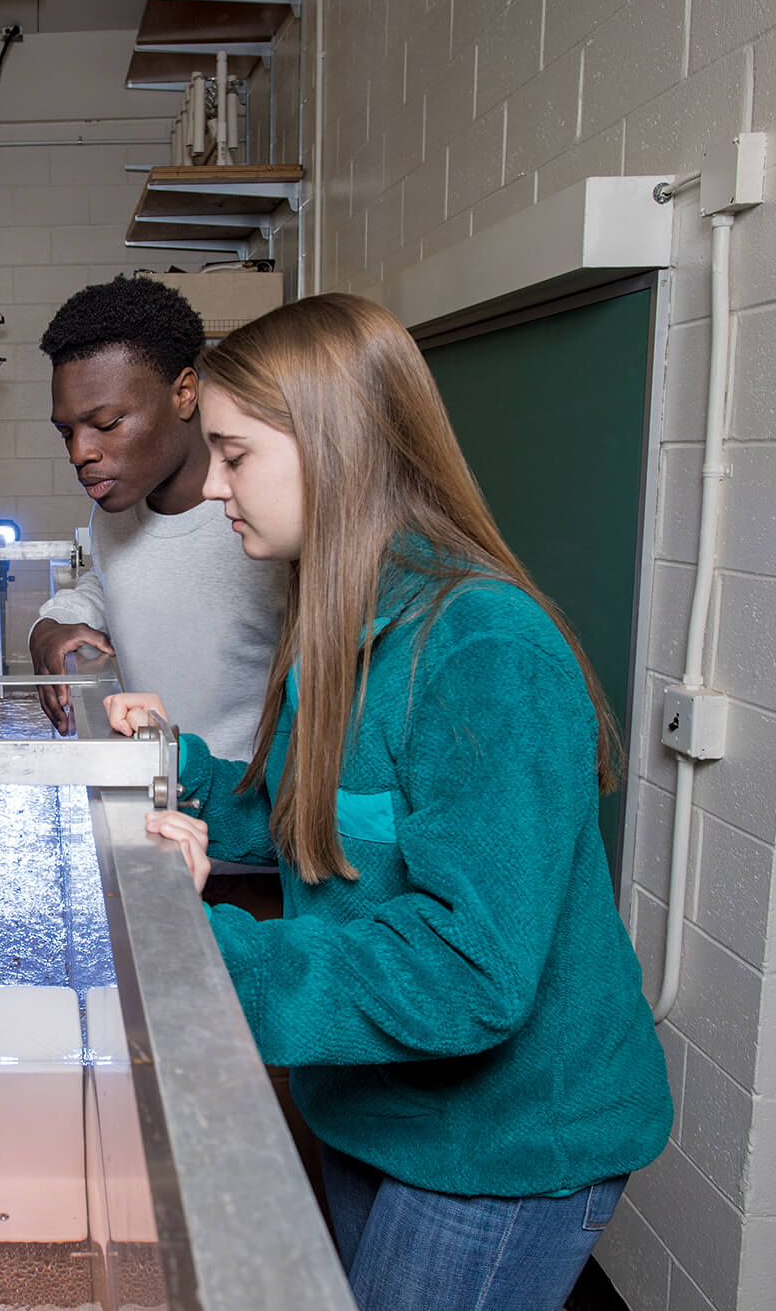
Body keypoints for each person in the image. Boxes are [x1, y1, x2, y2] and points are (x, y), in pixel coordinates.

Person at [108, 294, 671, 1311]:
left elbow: (469, 970)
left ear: (332, 449)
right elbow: (310, 824)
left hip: (496, 1146)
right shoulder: (336, 614)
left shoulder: (483, 650)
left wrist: (200, 962)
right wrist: (169, 770)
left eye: (235, 457)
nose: (211, 490)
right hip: (371, 1104)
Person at [29, 275, 286, 765]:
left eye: (107, 425)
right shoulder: (116, 514)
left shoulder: (264, 524)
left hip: (252, 817)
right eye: (67, 431)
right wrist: (50, 624)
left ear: (185, 393)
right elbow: (111, 583)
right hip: (161, 805)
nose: (80, 453)